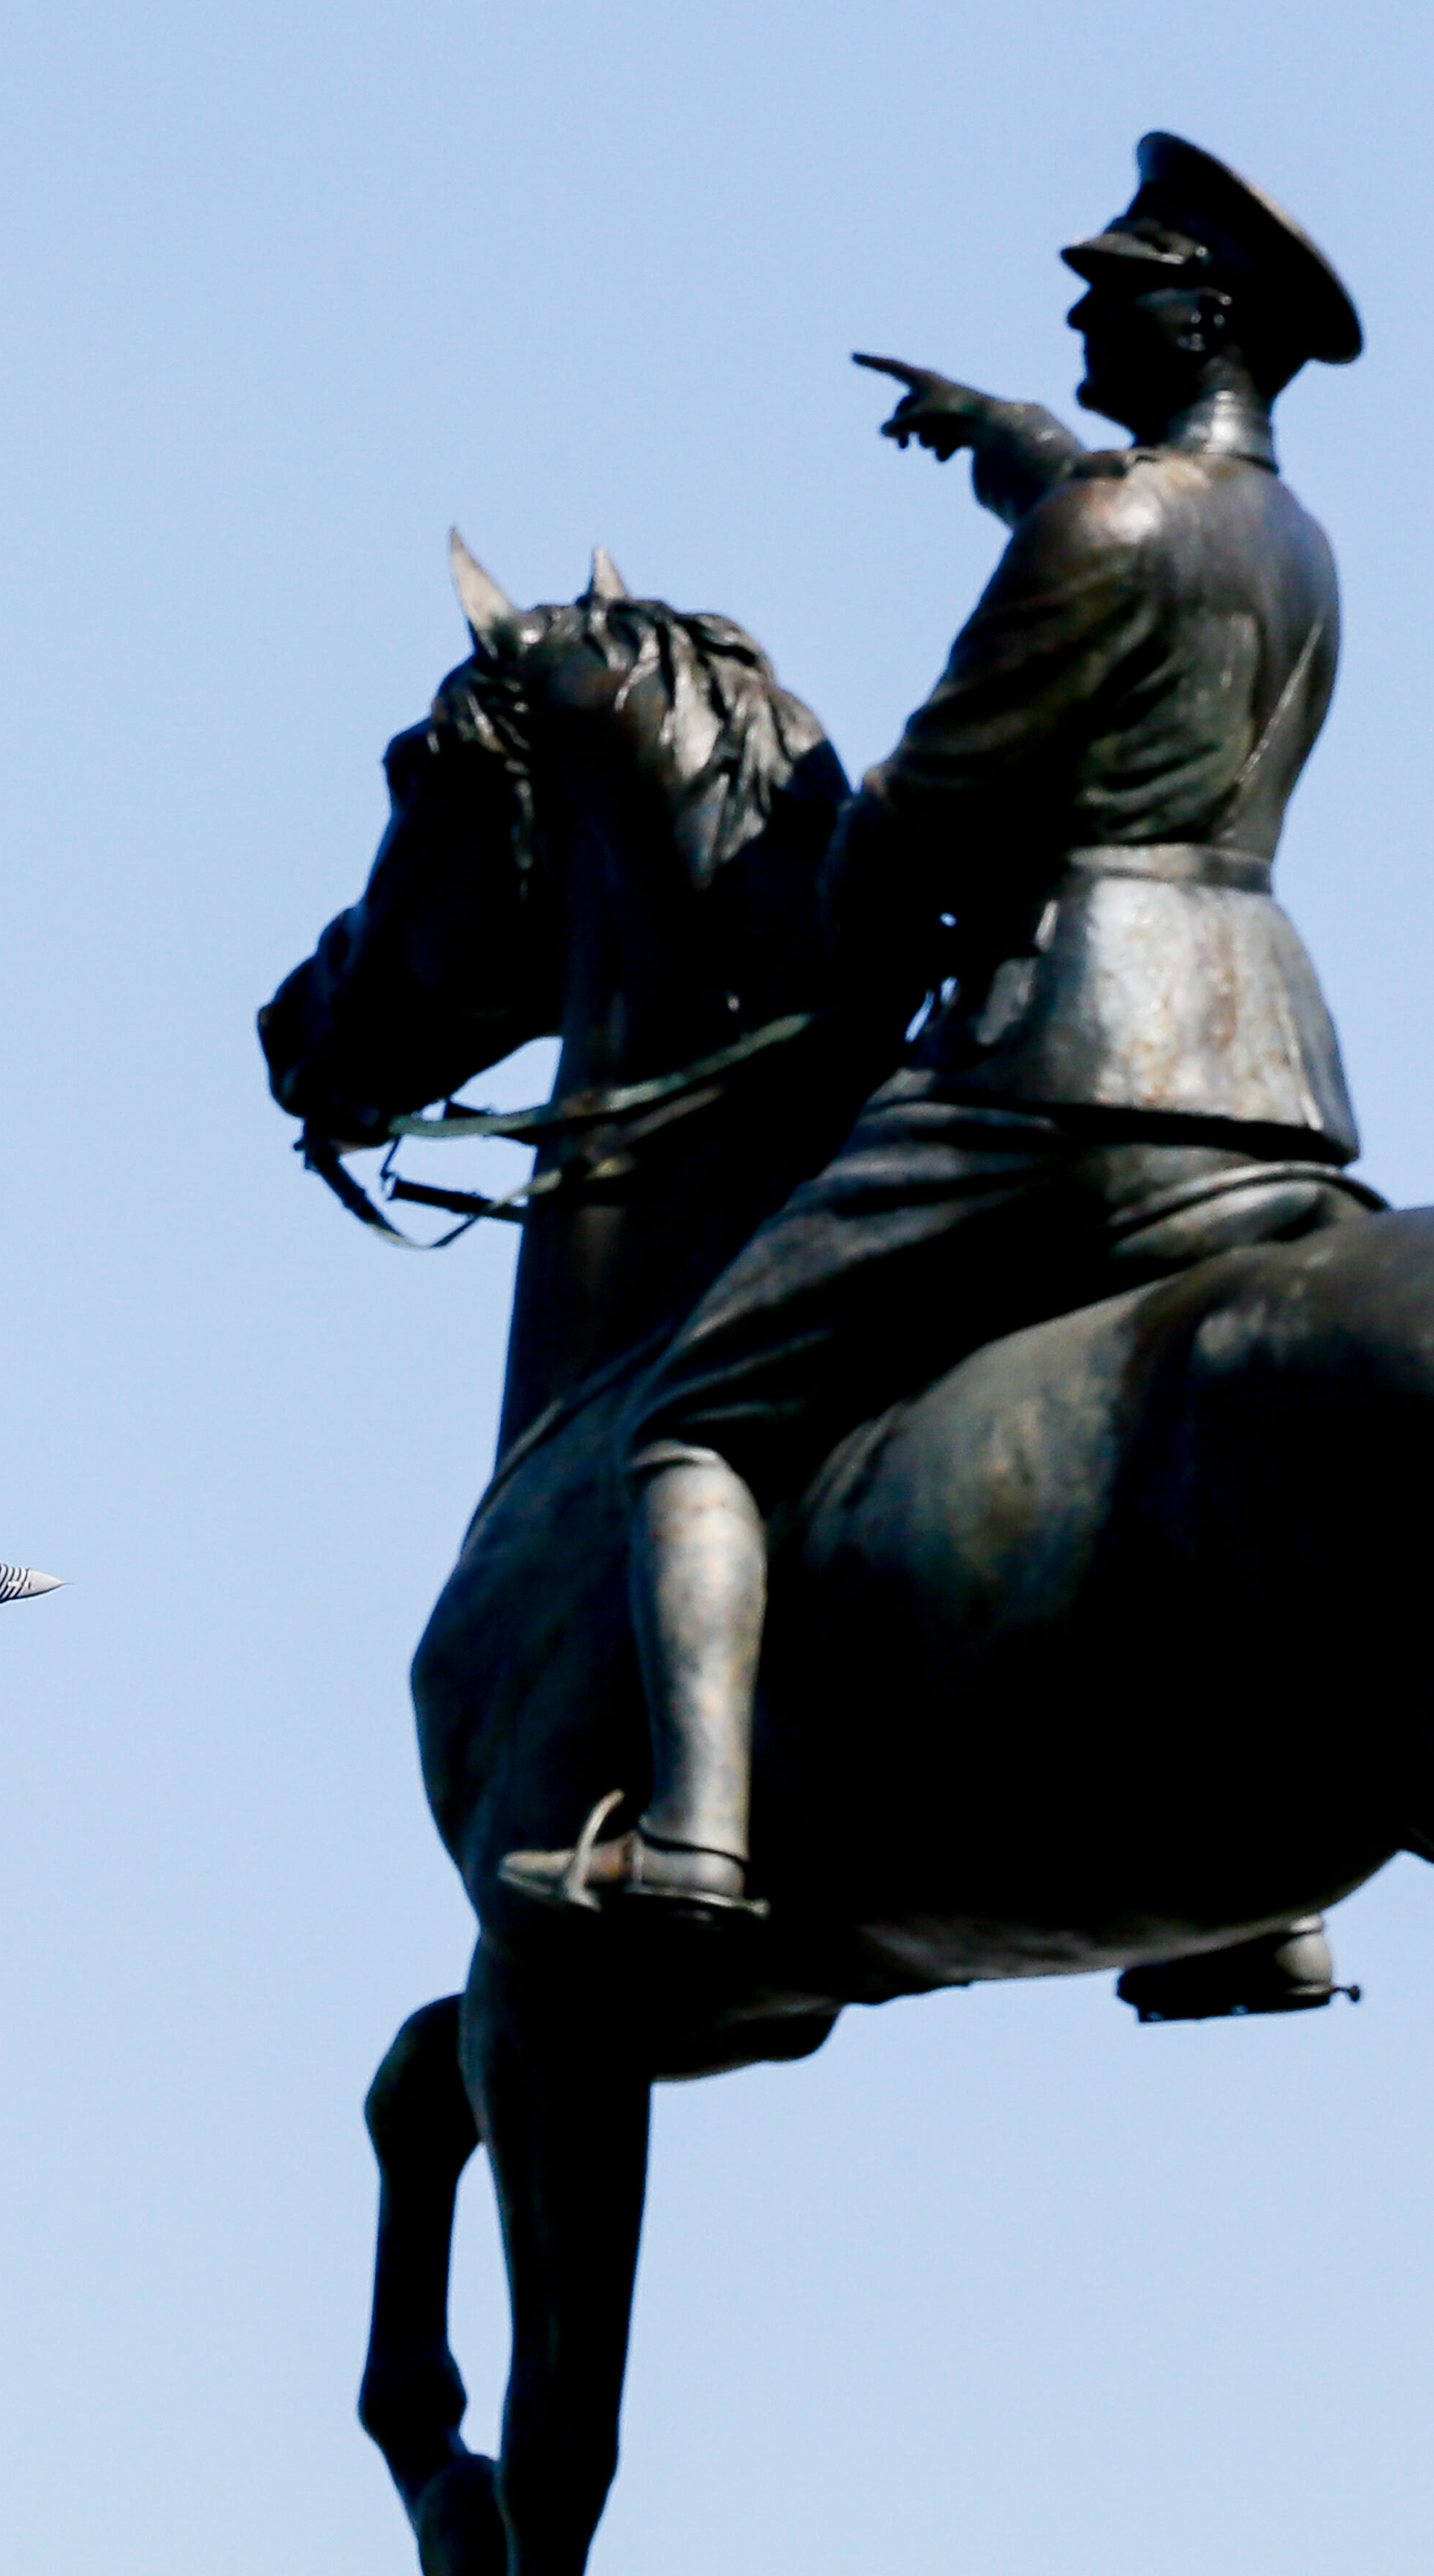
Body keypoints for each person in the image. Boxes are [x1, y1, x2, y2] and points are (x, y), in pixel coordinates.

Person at [502, 133, 1382, 1922]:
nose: (1079, 303)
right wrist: (1006, 442)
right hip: (1274, 1084)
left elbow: (928, 805)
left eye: (1115, 282)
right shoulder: (1293, 543)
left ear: (1203, 315)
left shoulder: (1105, 524)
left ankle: (692, 1833)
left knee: (694, 1417)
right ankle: (1269, 1915)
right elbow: (1128, 524)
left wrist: (839, 917)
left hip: (1064, 1066)